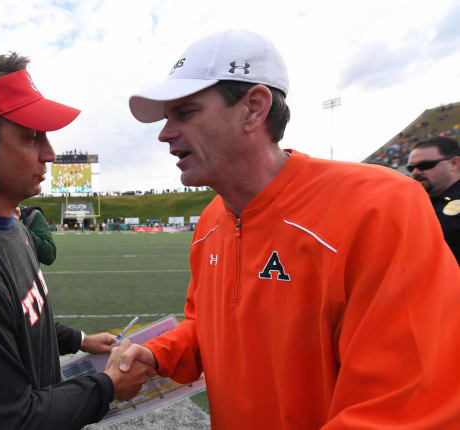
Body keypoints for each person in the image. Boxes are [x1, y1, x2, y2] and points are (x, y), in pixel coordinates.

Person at [121, 29, 460, 428]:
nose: (164, 133)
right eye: (166, 118)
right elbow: (209, 326)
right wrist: (160, 352)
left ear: (254, 108)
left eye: (186, 112)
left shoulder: (381, 205)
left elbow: (403, 406)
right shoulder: (212, 220)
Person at [0, 53, 154, 429]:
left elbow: (24, 316)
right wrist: (109, 386)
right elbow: (11, 420)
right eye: (30, 135)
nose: (50, 153)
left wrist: (81, 339)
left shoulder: (13, 227)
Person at [406, 136, 460, 264]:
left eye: (425, 165)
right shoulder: (414, 205)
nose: (415, 172)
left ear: (454, 163)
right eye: (411, 168)